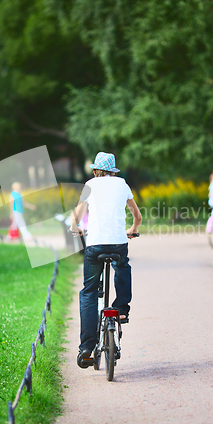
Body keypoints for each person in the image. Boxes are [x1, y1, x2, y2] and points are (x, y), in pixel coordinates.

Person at [69, 152, 142, 369]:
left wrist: (76, 228)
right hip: (119, 243)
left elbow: (76, 217)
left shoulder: (89, 185)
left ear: (95, 171)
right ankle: (121, 309)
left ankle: (86, 348)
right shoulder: (123, 184)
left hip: (95, 245)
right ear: (114, 172)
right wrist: (132, 230)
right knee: (123, 266)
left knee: (89, 291)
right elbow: (137, 216)